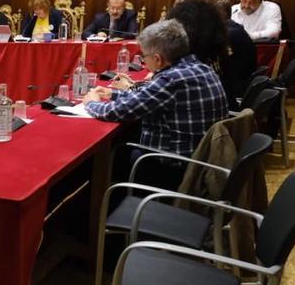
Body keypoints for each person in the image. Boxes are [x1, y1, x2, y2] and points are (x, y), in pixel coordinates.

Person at [83, 20, 227, 190]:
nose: (144, 61)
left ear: (158, 59)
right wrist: (112, 94)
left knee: (111, 155)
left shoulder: (171, 79)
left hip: (173, 168)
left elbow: (118, 112)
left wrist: (91, 102)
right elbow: (149, 98)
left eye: (144, 56)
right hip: (201, 161)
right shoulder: (201, 67)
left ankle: (107, 206)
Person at [213, 0, 258, 108]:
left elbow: (223, 70)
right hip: (242, 84)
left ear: (218, 14)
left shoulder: (226, 35)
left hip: (233, 91)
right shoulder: (237, 29)